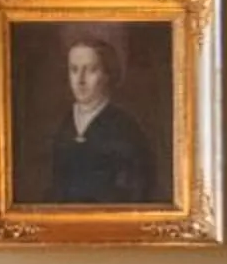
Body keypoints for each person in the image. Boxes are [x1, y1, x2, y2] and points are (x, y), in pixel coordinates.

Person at [44, 34, 160, 204]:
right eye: (74, 70)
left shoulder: (125, 128)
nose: (80, 80)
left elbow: (137, 192)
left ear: (107, 74)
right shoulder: (62, 124)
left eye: (91, 70)